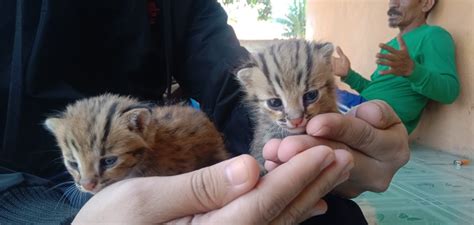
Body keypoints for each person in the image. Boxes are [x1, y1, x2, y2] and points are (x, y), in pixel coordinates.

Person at [0, 0, 409, 224]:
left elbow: (235, 86)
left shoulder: (182, 8)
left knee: (334, 221)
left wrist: (293, 149)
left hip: (155, 172)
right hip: (26, 191)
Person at [333, 0, 460, 134]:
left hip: (385, 122)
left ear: (426, 4)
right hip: (364, 107)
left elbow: (450, 92)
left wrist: (413, 71)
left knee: (316, 100)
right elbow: (376, 90)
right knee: (317, 97)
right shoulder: (391, 45)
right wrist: (349, 75)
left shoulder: (433, 35)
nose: (393, 3)